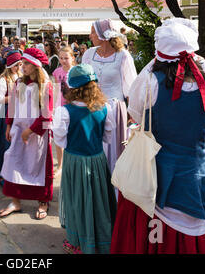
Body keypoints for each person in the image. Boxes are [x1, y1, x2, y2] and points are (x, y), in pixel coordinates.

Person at [111, 18, 205, 254]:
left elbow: (136, 114)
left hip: (156, 179)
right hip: (198, 179)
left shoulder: (148, 81)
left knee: (155, 240)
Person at [52, 63, 116, 254]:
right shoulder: (105, 108)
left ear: (73, 88)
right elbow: (107, 137)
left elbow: (60, 140)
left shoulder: (65, 112)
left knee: (77, 200)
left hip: (75, 160)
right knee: (98, 199)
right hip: (97, 159)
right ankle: (99, 236)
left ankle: (78, 240)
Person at [0, 48, 54, 220]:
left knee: (38, 167)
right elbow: (13, 106)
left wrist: (30, 131)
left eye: (26, 64)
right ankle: (15, 201)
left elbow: (47, 114)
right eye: (22, 63)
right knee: (14, 163)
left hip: (37, 135)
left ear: (36, 66)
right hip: (18, 130)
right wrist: (9, 125)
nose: (22, 66)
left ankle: (42, 201)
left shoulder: (46, 86)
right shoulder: (18, 83)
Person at [81, 19, 137, 177]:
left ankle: (111, 191)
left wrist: (132, 114)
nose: (90, 35)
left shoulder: (123, 56)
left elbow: (131, 87)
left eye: (93, 32)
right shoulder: (89, 54)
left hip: (113, 111)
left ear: (103, 35)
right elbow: (82, 81)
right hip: (90, 109)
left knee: (110, 151)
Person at [0, 51, 22, 186]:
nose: (19, 68)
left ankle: (15, 173)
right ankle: (4, 174)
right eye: (16, 65)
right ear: (10, 66)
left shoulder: (21, 76)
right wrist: (15, 97)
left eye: (20, 64)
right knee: (6, 145)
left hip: (19, 114)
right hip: (7, 115)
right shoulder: (3, 80)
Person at [52, 46, 76, 178]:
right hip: (60, 107)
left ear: (72, 58)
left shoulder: (76, 71)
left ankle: (71, 163)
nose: (63, 60)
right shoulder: (57, 72)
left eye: (66, 58)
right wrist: (53, 108)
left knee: (72, 136)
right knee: (58, 136)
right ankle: (60, 164)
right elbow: (56, 90)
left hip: (73, 107)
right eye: (61, 58)